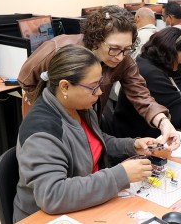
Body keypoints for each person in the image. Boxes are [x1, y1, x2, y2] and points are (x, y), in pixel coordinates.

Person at [13, 44, 159, 222]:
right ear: (65, 87)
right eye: (93, 86)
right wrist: (120, 174)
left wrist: (133, 145)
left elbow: (92, 142)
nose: (99, 92)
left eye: (99, 83)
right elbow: (52, 195)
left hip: (85, 204)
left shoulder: (80, 107)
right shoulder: (42, 130)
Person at [17, 5, 180, 150]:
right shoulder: (57, 48)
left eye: (127, 49)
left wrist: (164, 122)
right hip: (52, 121)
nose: (119, 57)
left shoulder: (124, 60)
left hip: (89, 118)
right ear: (95, 39)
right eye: (114, 48)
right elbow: (26, 80)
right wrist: (49, 112)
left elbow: (141, 95)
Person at [112, 27, 181, 138]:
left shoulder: (145, 62)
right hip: (135, 140)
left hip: (134, 134)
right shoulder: (152, 75)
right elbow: (179, 115)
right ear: (171, 51)